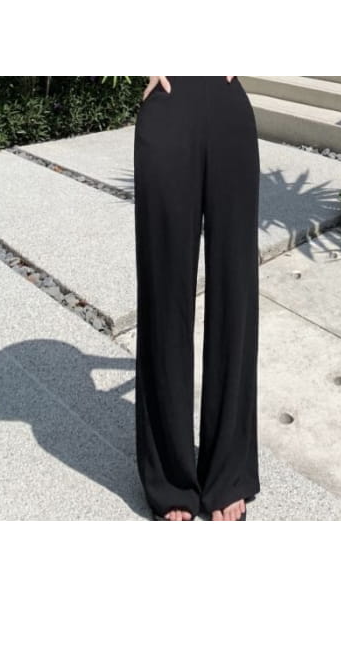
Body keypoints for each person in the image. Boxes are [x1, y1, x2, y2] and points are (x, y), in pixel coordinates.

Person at [133, 76, 261, 521]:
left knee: (235, 291)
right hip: (167, 108)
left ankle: (228, 470)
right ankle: (170, 476)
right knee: (164, 291)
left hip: (228, 109)